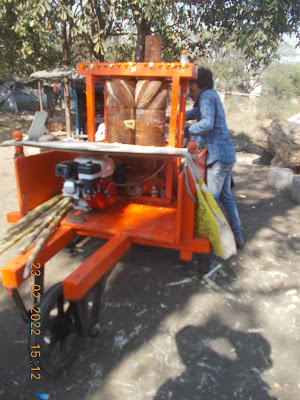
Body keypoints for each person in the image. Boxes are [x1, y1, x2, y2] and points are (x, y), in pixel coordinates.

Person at [185, 67, 244, 249]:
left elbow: (207, 123)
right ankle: (238, 237)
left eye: (191, 87)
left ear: (199, 84)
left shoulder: (208, 96)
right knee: (226, 198)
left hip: (219, 158)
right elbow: (193, 114)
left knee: (211, 200)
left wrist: (185, 130)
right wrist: (169, 118)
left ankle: (211, 246)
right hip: (225, 155)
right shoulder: (208, 97)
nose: (189, 91)